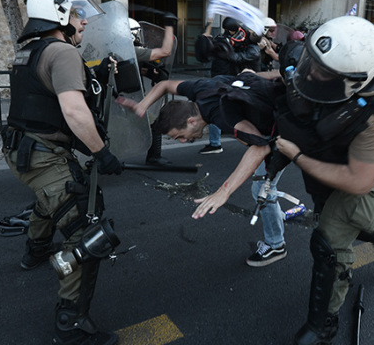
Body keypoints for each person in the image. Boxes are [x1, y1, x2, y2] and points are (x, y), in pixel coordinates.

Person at [272, 16, 374, 345]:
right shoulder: (321, 68)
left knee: (329, 243)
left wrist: (298, 158)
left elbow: (357, 181)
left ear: (353, 81)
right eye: (312, 65)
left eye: (324, 73)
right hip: (325, 159)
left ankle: (321, 329)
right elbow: (295, 82)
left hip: (353, 174)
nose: (312, 74)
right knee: (347, 222)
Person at [2, 0, 125, 345]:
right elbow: (74, 111)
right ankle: (69, 330)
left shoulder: (30, 51)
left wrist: (97, 71)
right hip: (44, 154)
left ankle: (35, 250)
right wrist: (101, 153)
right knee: (84, 232)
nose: (84, 22)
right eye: (77, 14)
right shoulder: (62, 52)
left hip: (20, 150)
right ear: (58, 15)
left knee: (52, 198)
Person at [122, 69, 291, 266]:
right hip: (276, 106)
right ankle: (274, 216)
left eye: (180, 136)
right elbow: (164, 85)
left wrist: (223, 192)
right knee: (262, 185)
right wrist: (142, 106)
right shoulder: (199, 89)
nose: (184, 142)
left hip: (288, 127)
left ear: (191, 121)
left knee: (261, 189)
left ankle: (276, 244)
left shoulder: (222, 114)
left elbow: (260, 148)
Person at [195, 17, 261, 154]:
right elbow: (205, 43)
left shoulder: (253, 49)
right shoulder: (226, 39)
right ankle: (215, 143)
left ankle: (258, 140)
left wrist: (225, 47)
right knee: (214, 106)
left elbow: (237, 58)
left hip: (242, 81)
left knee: (245, 111)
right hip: (224, 79)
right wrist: (209, 26)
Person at [128, 15, 177, 166]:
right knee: (155, 123)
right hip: (128, 100)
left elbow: (132, 69)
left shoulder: (115, 49)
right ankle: (154, 157)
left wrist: (150, 72)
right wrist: (169, 25)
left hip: (117, 98)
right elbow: (166, 51)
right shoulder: (133, 50)